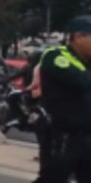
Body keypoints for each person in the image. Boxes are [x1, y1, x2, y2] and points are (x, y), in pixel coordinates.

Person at [37, 15, 91, 182]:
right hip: (62, 134)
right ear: (79, 37)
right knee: (53, 178)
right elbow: (80, 82)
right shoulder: (56, 55)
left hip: (87, 135)